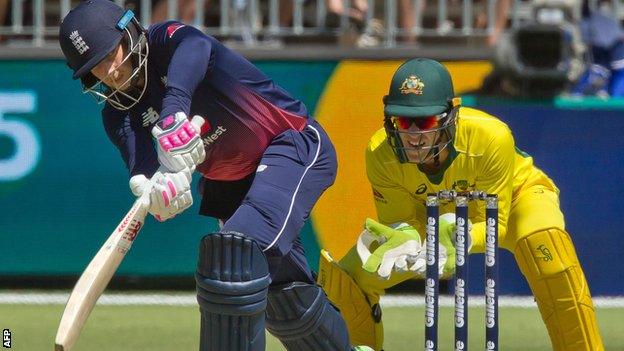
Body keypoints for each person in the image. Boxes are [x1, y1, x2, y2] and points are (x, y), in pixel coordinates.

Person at [58, 1, 372, 350]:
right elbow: (149, 171)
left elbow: (198, 47)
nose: (109, 71)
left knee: (237, 258)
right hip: (230, 182)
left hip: (289, 143)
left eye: (110, 54)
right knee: (284, 299)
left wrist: (174, 111)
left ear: (128, 32)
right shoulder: (118, 116)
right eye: (96, 67)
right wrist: (161, 190)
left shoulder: (166, 40)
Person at [317, 58, 604, 351]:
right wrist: (403, 236)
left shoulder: (491, 136)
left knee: (547, 247)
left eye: (425, 122)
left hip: (516, 198)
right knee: (351, 275)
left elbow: (497, 224)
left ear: (449, 117)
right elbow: (404, 221)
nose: (413, 136)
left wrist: (461, 236)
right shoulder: (380, 153)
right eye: (404, 122)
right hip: (434, 215)